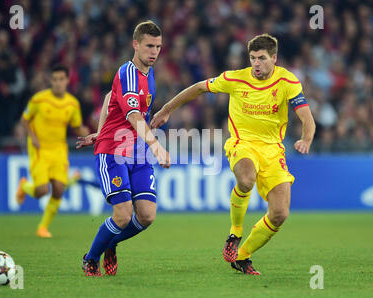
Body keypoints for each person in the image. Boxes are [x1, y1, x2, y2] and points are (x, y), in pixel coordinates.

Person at [151, 34, 316, 275]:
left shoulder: (288, 82)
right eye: (252, 58)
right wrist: (166, 110)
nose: (256, 63)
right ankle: (235, 231)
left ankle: (242, 256)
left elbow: (307, 118)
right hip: (242, 143)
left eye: (261, 58)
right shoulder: (235, 79)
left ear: (274, 58)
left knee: (280, 213)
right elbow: (198, 88)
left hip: (273, 150)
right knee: (246, 179)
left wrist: (306, 139)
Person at [76, 21, 170, 277]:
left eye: (159, 47)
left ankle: (111, 242)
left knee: (147, 216)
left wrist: (100, 128)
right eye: (149, 46)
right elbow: (133, 116)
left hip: (137, 152)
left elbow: (109, 97)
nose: (154, 52)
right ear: (135, 44)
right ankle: (91, 258)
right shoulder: (127, 72)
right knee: (123, 216)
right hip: (114, 152)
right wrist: (156, 145)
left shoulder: (148, 72)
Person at [16, 65, 89, 238]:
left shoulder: (72, 104)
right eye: (54, 79)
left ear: (67, 80)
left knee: (58, 189)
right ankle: (24, 185)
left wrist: (86, 133)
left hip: (59, 150)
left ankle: (42, 227)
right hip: (40, 149)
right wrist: (32, 136)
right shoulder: (39, 100)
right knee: (42, 191)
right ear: (51, 80)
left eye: (61, 79)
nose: (57, 83)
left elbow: (77, 127)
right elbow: (24, 120)